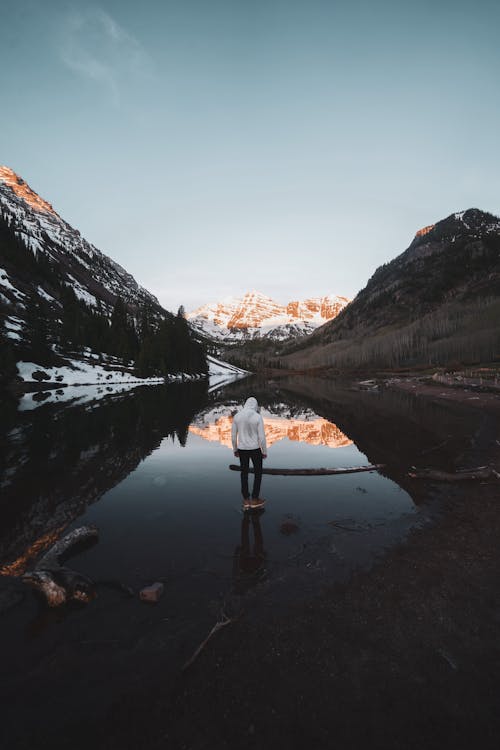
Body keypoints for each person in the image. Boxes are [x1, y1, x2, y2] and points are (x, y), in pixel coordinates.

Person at [231, 396, 267, 509]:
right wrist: (264, 451)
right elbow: (261, 437)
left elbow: (233, 436)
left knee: (244, 473)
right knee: (258, 473)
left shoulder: (237, 416)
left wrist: (235, 449)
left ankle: (246, 500)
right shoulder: (257, 417)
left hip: (242, 449)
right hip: (255, 449)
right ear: (255, 405)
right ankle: (255, 498)